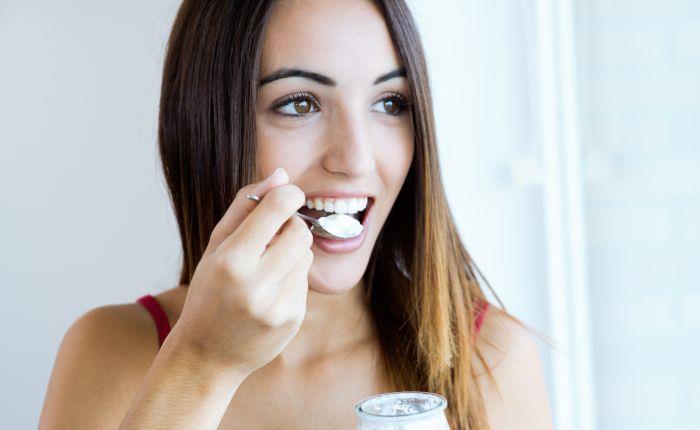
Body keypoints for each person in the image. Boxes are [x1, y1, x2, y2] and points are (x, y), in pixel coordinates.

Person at [39, 0, 552, 428]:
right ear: (209, 125)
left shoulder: (492, 360)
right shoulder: (111, 351)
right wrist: (203, 362)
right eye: (301, 104)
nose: (356, 159)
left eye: (390, 102)